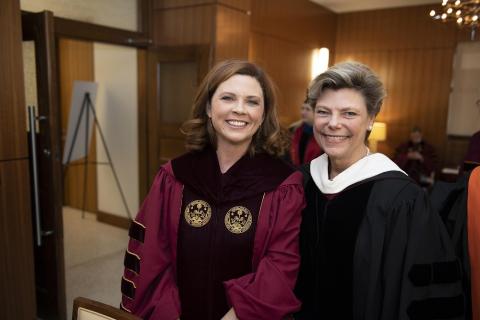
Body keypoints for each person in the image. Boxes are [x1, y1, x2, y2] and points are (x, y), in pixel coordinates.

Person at [120, 60, 305, 320]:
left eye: (252, 102)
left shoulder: (283, 185)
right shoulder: (175, 177)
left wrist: (236, 315)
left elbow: (280, 266)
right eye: (228, 98)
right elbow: (150, 256)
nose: (239, 109)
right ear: (208, 107)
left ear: (263, 115)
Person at [294, 61, 464, 319]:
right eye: (323, 111)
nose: (333, 123)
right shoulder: (300, 182)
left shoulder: (403, 199)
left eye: (349, 114)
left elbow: (422, 296)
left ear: (371, 119)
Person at [289, 97, 323, 166]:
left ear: (316, 112)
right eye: (302, 108)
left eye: (307, 109)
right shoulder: (295, 129)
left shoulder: (322, 133)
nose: (303, 112)